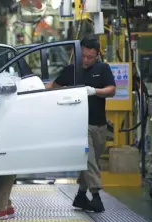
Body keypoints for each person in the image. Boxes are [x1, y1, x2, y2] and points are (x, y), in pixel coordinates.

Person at [45, 34, 116, 212]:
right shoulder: (72, 70)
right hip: (79, 125)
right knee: (89, 160)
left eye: (89, 57)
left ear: (97, 55)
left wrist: (94, 91)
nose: (85, 60)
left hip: (99, 124)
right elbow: (53, 86)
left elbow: (112, 90)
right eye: (83, 56)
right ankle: (97, 196)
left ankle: (80, 195)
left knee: (93, 160)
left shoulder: (103, 69)